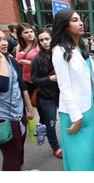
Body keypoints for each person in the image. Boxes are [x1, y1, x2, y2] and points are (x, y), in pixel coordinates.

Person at [51, 9, 94, 171]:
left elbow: (90, 73)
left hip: (87, 107)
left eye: (80, 19)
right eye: (74, 20)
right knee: (78, 156)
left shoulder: (81, 46)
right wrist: (76, 117)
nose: (80, 23)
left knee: (90, 151)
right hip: (74, 112)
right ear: (65, 26)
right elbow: (64, 87)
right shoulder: (59, 51)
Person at [0, 24, 34, 171]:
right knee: (11, 154)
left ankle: (21, 170)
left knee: (19, 149)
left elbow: (21, 85)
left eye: (4, 39)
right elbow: (1, 84)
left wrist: (29, 108)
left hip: (19, 113)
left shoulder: (11, 61)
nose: (4, 43)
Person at [31, 28, 62, 159]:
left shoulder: (60, 54)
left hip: (62, 94)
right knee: (51, 123)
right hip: (46, 96)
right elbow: (34, 79)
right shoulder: (37, 59)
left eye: (47, 39)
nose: (44, 42)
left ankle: (69, 143)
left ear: (52, 38)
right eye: (41, 40)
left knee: (69, 119)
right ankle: (55, 147)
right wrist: (49, 78)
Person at [15, 22, 39, 96]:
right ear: (20, 35)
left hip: (37, 79)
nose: (30, 34)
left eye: (31, 31)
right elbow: (17, 60)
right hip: (24, 80)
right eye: (26, 32)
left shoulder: (39, 46)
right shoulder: (19, 47)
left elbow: (46, 63)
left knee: (37, 103)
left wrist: (29, 63)